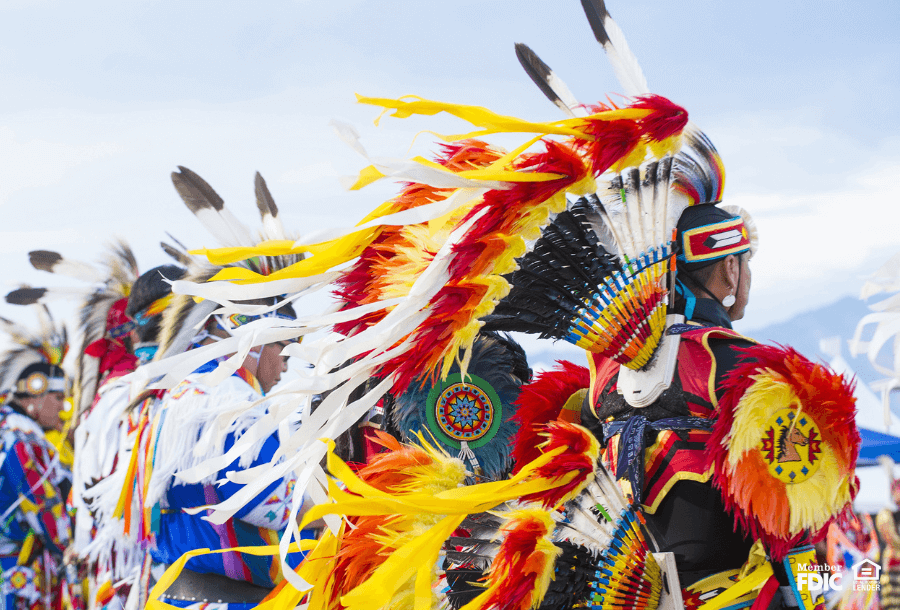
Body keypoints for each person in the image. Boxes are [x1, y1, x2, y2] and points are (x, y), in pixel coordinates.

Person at [0, 309, 73, 610]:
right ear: (36, 392)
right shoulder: (24, 440)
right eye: (58, 398)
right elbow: (44, 507)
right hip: (18, 574)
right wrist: (70, 550)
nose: (63, 407)